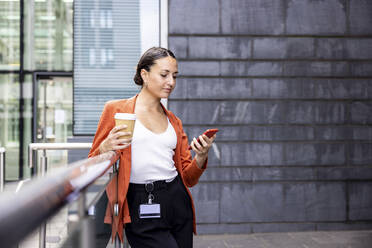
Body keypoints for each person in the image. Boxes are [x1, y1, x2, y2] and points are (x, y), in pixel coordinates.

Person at [88, 47, 216, 248]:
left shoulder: (174, 122)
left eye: (174, 76)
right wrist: (105, 146)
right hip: (138, 201)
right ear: (144, 74)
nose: (171, 82)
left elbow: (188, 178)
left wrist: (201, 156)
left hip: (176, 199)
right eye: (164, 75)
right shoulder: (116, 110)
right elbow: (91, 163)